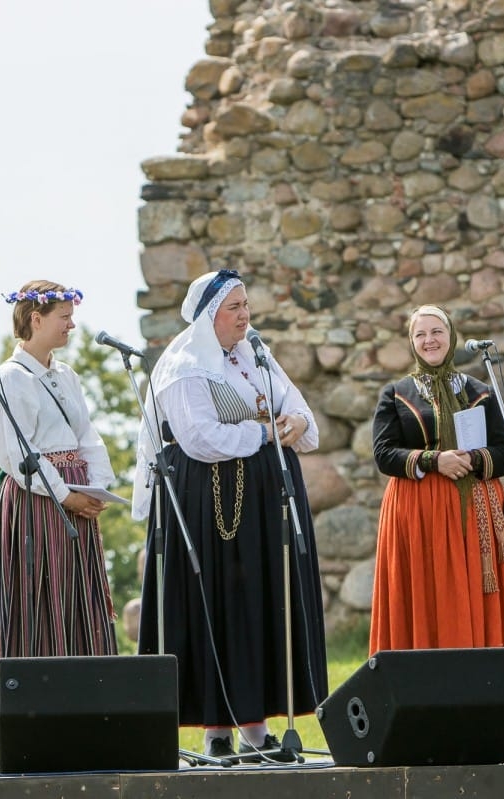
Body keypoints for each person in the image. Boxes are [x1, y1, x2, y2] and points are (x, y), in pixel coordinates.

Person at [133, 269, 327, 760]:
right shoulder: (184, 365)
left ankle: (254, 723)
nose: (245, 315)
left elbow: (299, 414)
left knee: (257, 602)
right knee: (217, 604)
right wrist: (265, 434)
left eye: (246, 305)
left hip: (261, 498)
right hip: (208, 499)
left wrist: (296, 421)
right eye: (235, 307)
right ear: (209, 315)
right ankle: (218, 729)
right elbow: (199, 439)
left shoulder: (254, 353)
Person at [0, 280, 118, 736]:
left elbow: (87, 435)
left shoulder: (67, 375)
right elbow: (15, 452)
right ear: (35, 320)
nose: (72, 325)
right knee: (37, 602)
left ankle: (90, 718)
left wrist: (97, 486)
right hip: (36, 504)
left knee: (80, 600)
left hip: (76, 496)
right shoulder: (10, 378)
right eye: (64, 316)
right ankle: (31, 724)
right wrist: (64, 494)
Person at [369, 306, 504, 671]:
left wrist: (472, 460)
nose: (429, 341)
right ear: (412, 342)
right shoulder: (396, 393)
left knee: (472, 597)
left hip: (475, 512)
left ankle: (482, 685)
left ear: (451, 335)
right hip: (418, 514)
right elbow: (383, 453)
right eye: (420, 335)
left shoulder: (480, 391)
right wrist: (432, 461)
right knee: (424, 598)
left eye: (436, 332)